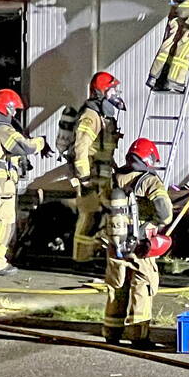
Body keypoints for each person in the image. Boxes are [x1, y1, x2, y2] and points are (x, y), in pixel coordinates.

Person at [102, 138, 172, 349]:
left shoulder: (114, 178)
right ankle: (138, 335)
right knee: (142, 285)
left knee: (117, 286)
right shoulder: (150, 181)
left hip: (115, 243)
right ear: (149, 158)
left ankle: (112, 332)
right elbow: (165, 213)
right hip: (141, 246)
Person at [0, 88, 52, 275]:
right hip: (2, 184)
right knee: (3, 222)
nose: (15, 114)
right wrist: (41, 143)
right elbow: (23, 146)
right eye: (14, 110)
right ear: (8, 109)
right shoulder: (3, 129)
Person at [71, 71, 125, 268]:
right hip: (91, 177)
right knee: (90, 216)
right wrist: (84, 178)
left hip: (102, 176)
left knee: (101, 216)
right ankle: (81, 259)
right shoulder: (90, 116)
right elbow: (80, 147)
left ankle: (91, 254)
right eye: (112, 90)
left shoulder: (101, 115)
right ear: (101, 92)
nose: (115, 93)